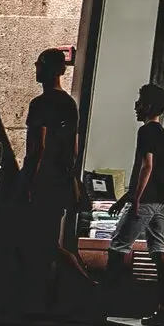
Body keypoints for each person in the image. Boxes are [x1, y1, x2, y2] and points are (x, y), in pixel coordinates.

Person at [18, 49, 95, 311]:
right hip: (60, 180)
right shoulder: (69, 104)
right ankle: (49, 295)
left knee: (39, 242)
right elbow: (73, 148)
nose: (36, 68)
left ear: (48, 68)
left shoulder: (41, 103)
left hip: (42, 181)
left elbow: (37, 148)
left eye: (39, 64)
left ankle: (85, 284)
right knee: (47, 240)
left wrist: (28, 181)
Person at [107, 83, 164, 326]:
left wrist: (135, 199)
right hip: (160, 202)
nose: (136, 106)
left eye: (139, 101)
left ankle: (104, 304)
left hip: (144, 201)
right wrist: (125, 198)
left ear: (147, 105)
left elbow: (147, 166)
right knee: (159, 253)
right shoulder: (163, 133)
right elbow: (157, 172)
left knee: (117, 248)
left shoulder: (145, 131)